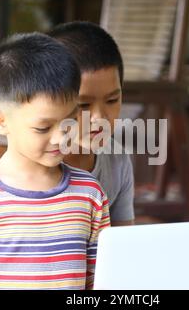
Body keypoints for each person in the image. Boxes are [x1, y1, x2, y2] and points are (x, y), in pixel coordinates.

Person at [0, 32, 110, 290]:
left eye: (69, 120)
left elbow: (100, 280)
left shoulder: (90, 194)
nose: (59, 137)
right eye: (43, 128)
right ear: (0, 121)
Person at [49, 21, 135, 226]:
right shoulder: (34, 167)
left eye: (112, 100)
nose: (99, 117)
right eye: (84, 104)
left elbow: (123, 239)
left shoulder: (117, 161)